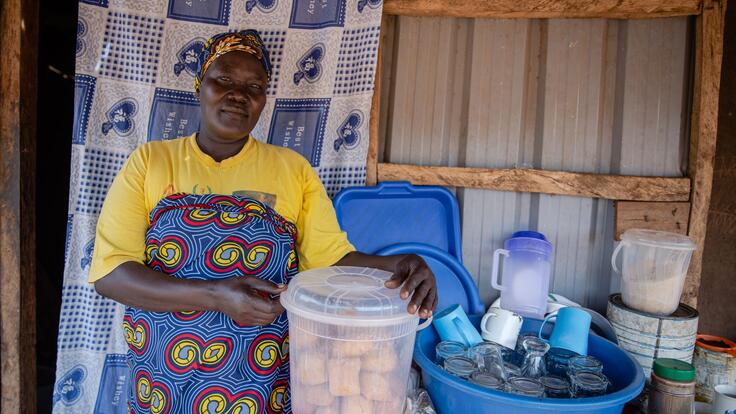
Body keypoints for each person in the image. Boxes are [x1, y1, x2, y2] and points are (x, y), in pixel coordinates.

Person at [89, 30, 438, 413]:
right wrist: (216, 296)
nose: (238, 94)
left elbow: (328, 262)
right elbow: (111, 275)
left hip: (261, 383)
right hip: (166, 383)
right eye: (222, 79)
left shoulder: (292, 170)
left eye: (253, 85)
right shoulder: (150, 163)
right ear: (198, 86)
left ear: (263, 99)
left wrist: (400, 266)